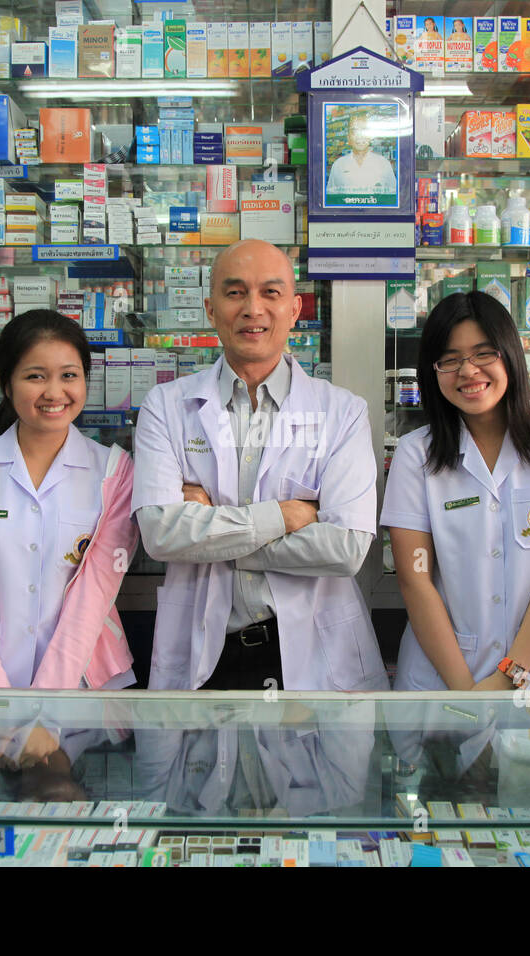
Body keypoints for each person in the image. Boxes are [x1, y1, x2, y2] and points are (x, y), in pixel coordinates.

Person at [132, 238, 386, 692]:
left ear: (295, 308)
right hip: (205, 652)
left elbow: (346, 548)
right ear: (211, 310)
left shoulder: (342, 412)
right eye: (235, 293)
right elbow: (159, 534)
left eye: (270, 292)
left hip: (312, 655)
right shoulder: (166, 406)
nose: (253, 309)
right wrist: (283, 518)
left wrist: (208, 530)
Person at [0, 309, 138, 767]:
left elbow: (93, 597)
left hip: (84, 694)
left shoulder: (114, 473)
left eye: (69, 375)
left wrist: (44, 714)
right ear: (5, 382)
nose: (54, 392)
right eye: (35, 376)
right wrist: (6, 715)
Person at [380, 291, 530, 692]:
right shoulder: (416, 454)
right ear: (432, 372)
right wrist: (467, 693)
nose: (467, 371)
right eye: (449, 359)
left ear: (510, 356)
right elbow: (415, 580)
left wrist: (508, 676)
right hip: (444, 673)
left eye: (484, 353)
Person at [325, 112, 397, 198]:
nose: (360, 136)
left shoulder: (383, 164)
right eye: (354, 131)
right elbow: (331, 197)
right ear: (348, 137)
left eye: (364, 130)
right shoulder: (338, 165)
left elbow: (393, 197)